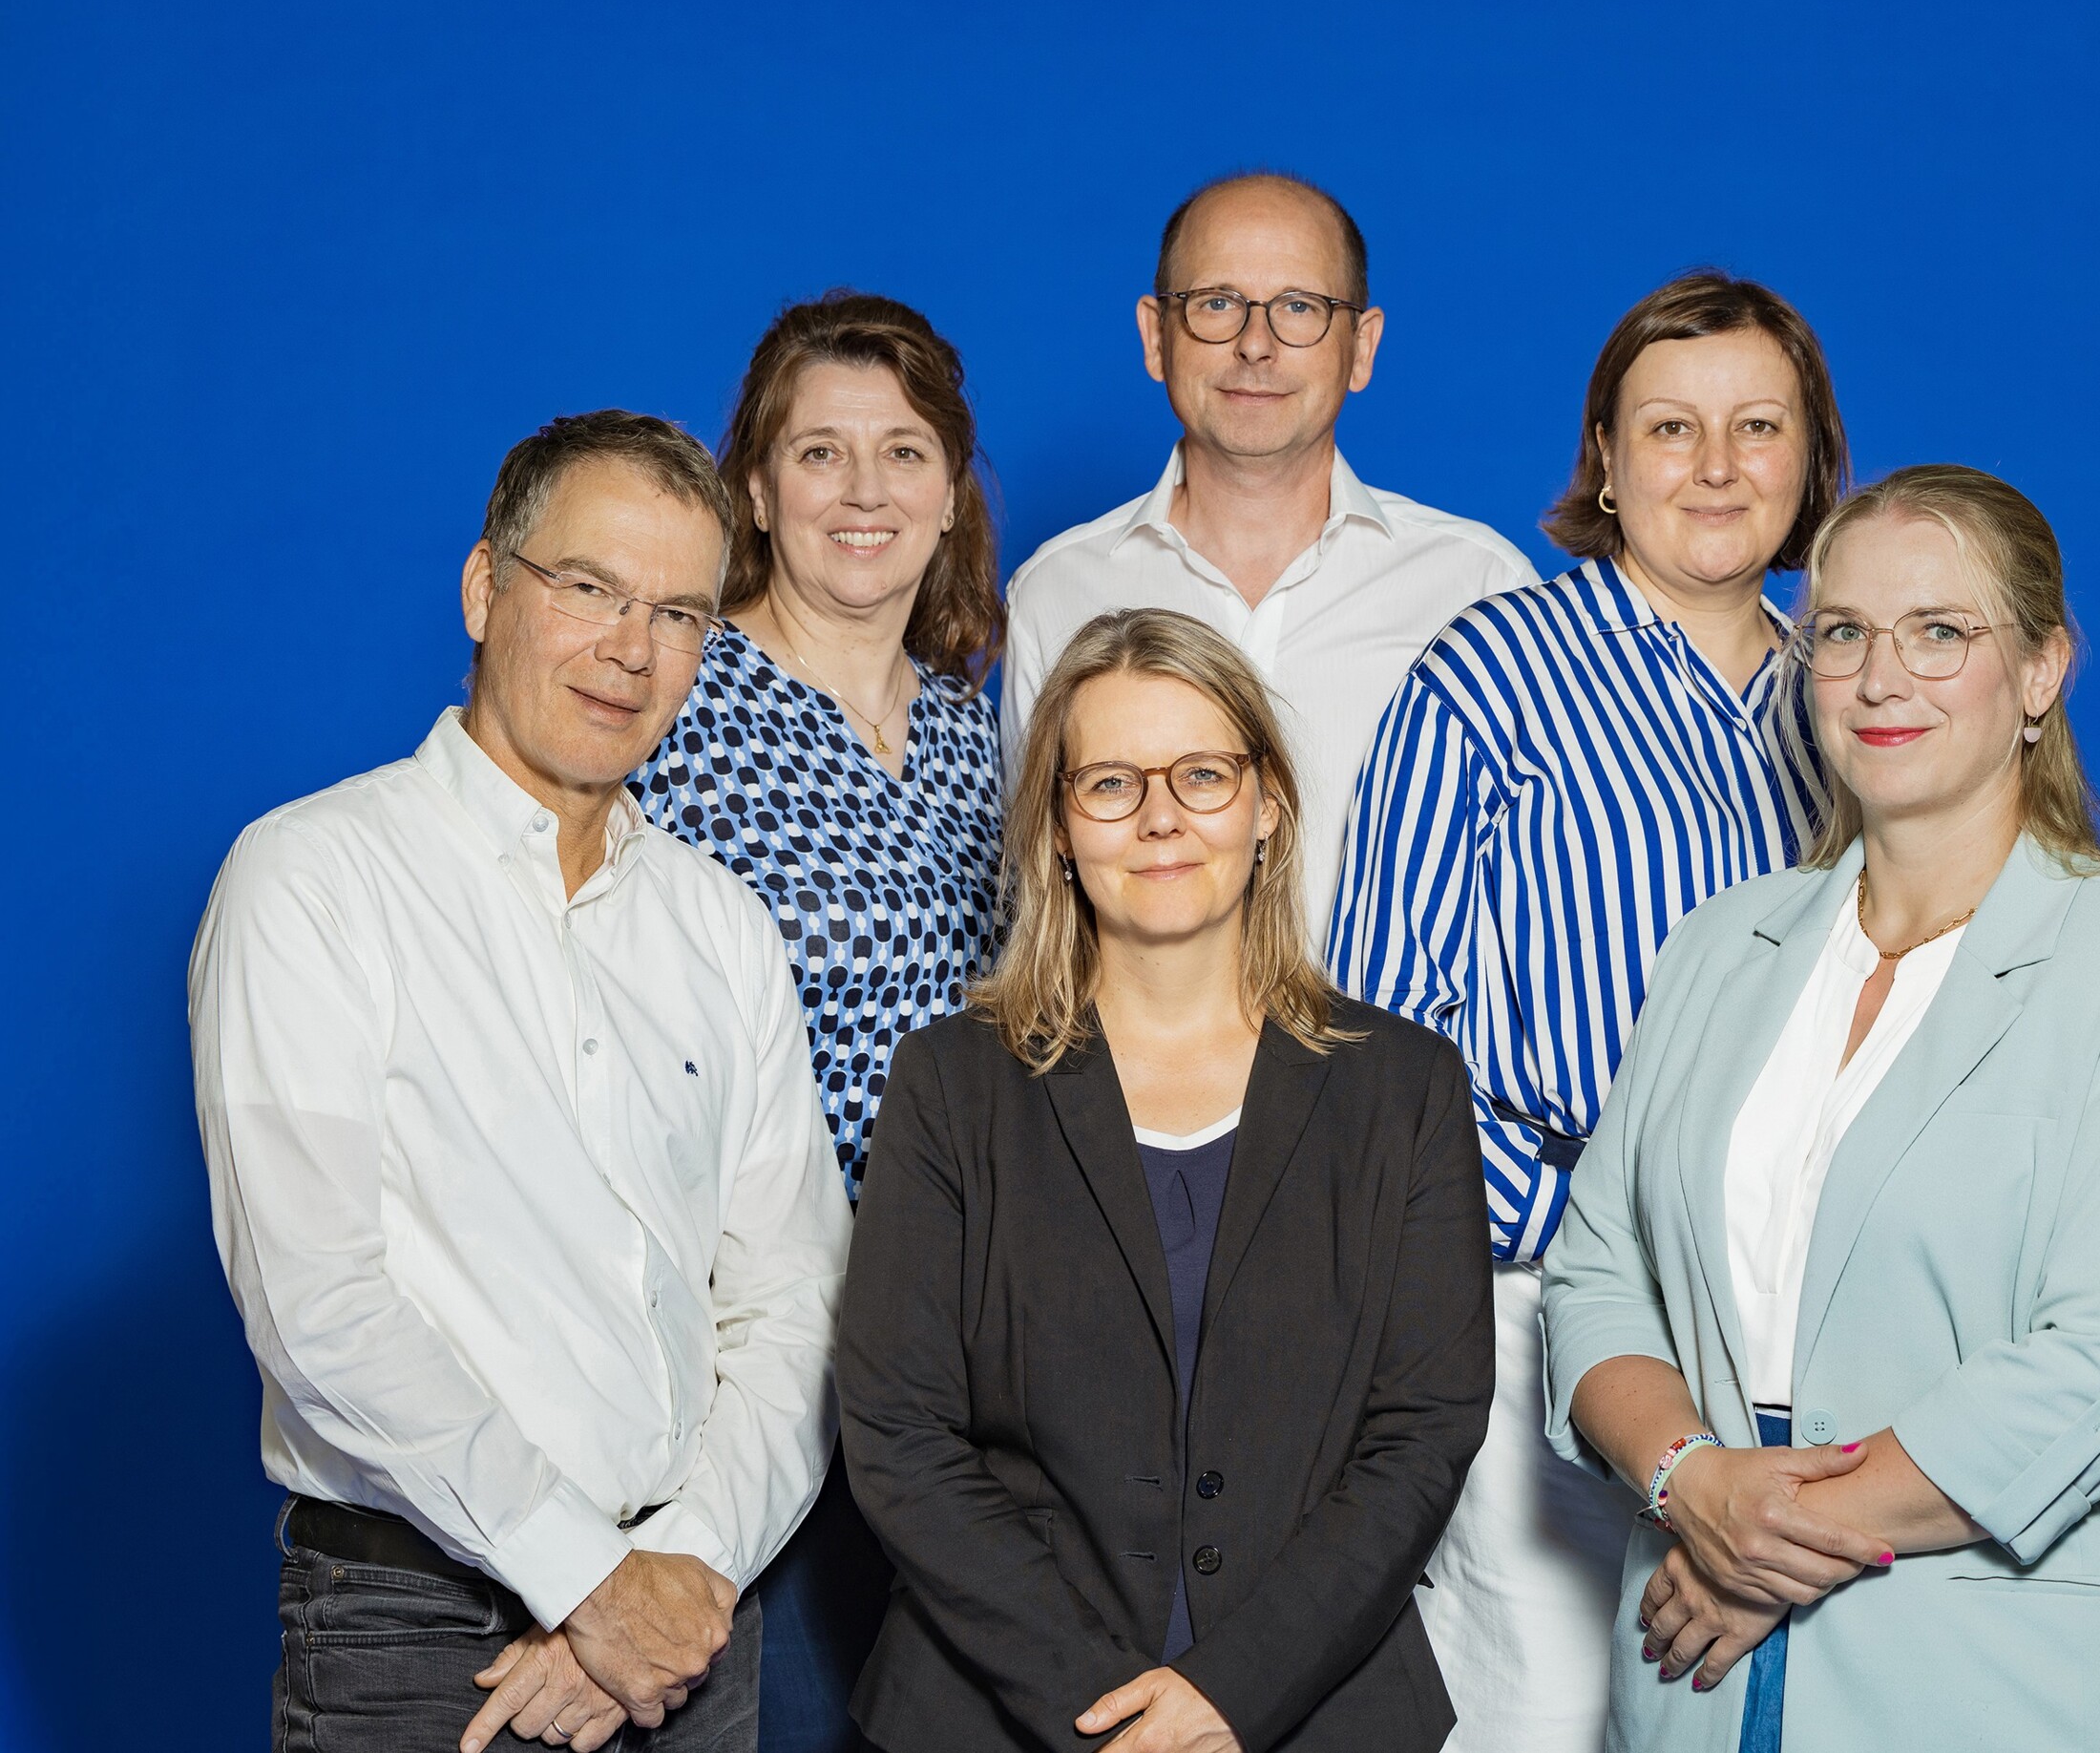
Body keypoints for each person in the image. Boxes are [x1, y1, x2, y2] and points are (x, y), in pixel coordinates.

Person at [1543, 465, 2100, 1753]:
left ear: (2040, 670)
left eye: (1939, 631)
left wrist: (1766, 1537)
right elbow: (1599, 1271)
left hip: (2021, 1675)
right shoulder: (1718, 948)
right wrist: (1692, 1481)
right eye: (1842, 632)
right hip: (1703, 1679)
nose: (1881, 678)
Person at [190, 412, 854, 1753]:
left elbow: (799, 1298)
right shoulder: (312, 880)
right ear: (486, 587)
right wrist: (589, 1583)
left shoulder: (722, 925)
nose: (632, 649)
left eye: (678, 614)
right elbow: (319, 1304)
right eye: (590, 587)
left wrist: (687, 1566)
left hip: (697, 1624)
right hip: (416, 1632)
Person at [1328, 272, 1845, 1749]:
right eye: (1671, 427)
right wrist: (1580, 1233)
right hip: (1543, 1299)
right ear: (1607, 460)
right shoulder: (1490, 672)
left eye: (1759, 426)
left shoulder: (1849, 695)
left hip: (1800, 1318)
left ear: (1812, 459)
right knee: (1550, 1717)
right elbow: (1384, 1038)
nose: (1718, 464)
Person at [838, 609, 1495, 1753]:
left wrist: (1230, 1693)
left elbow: (1421, 1433)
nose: (1160, 818)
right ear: (1055, 827)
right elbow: (901, 1435)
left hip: (1317, 1709)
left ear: (1266, 802)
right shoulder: (950, 1084)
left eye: (1202, 774)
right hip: (997, 1713)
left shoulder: (1405, 1087)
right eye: (1110, 784)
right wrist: (1109, 1713)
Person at [634, 292, 1003, 1750]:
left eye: (904, 452)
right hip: (747, 1354)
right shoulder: (674, 700)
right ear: (754, 486)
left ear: (951, 491)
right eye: (820, 452)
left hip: (958, 1357)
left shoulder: (981, 730)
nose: (865, 491)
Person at [1000, 172, 1534, 933]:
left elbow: (1528, 901)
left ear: (1362, 347)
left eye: (1300, 308)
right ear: (1156, 336)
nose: (1256, 344)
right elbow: (1039, 906)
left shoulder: (1480, 589)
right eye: (1217, 303)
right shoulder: (1055, 591)